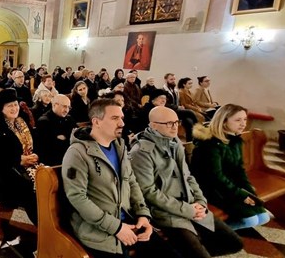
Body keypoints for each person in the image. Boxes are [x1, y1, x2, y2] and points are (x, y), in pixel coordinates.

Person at [62, 99, 180, 258]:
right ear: (96, 122)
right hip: (100, 230)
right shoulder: (77, 153)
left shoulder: (120, 146)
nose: (122, 123)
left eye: (122, 118)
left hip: (129, 221)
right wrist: (116, 228)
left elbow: (131, 181)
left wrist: (143, 214)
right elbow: (77, 197)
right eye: (114, 118)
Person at [130, 106, 243, 258]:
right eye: (169, 123)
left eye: (177, 122)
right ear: (153, 125)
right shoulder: (141, 152)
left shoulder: (175, 142)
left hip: (192, 205)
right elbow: (149, 192)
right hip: (167, 213)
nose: (175, 126)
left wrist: (201, 202)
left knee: (234, 243)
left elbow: (188, 176)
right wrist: (188, 210)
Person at [191, 104, 271, 230]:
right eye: (238, 120)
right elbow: (215, 177)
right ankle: (211, 232)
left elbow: (239, 169)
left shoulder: (234, 139)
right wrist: (240, 195)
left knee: (264, 218)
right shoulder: (209, 144)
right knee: (250, 220)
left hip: (229, 186)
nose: (243, 124)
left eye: (245, 119)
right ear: (223, 122)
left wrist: (248, 191)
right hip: (210, 188)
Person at [0, 88, 39, 224]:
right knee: (30, 189)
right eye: (9, 106)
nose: (14, 108)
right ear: (1, 109)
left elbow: (35, 143)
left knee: (50, 181)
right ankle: (42, 225)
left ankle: (52, 220)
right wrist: (19, 160)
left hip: (26, 166)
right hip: (3, 173)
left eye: (15, 104)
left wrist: (33, 156)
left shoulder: (21, 122)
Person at [35, 94, 75, 166]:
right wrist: (67, 138)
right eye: (64, 106)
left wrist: (64, 138)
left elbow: (76, 136)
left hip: (69, 157)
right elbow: (48, 148)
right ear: (55, 105)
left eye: (69, 107)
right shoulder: (44, 121)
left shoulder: (69, 119)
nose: (67, 110)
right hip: (52, 163)